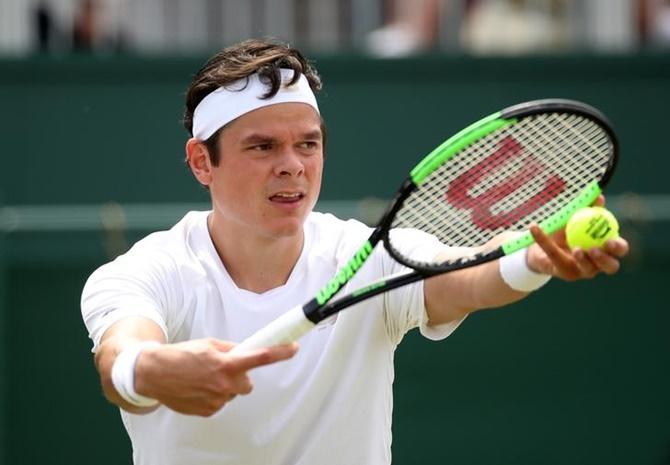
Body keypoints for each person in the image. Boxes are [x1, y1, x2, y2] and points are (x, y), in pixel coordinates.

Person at [80, 38, 629, 465]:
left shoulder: (364, 254)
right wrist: (148, 372)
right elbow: (120, 358)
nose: (292, 165)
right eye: (263, 146)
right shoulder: (149, 271)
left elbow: (465, 280)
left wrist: (532, 261)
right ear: (202, 162)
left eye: (308, 143)